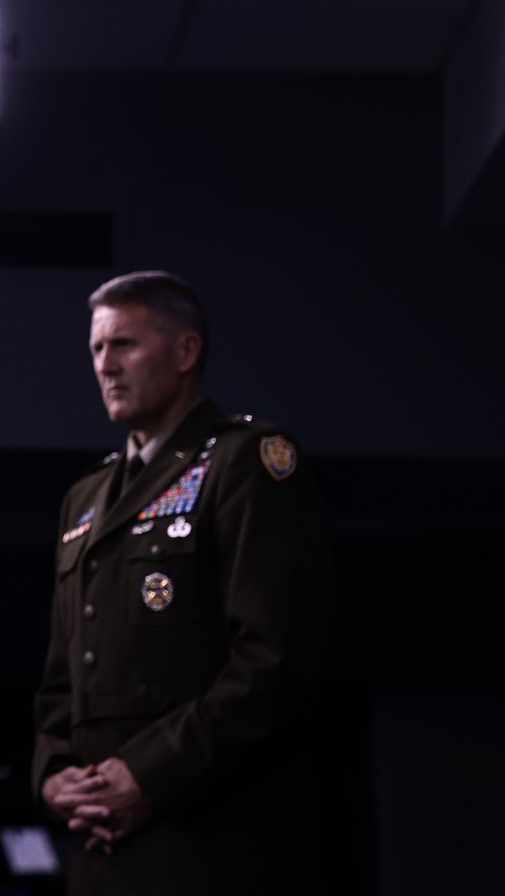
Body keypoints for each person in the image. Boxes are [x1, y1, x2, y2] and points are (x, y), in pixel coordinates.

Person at [33, 271, 330, 894]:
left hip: (203, 838)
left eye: (125, 345)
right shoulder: (84, 498)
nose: (105, 366)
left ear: (186, 351)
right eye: (96, 349)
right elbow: (64, 673)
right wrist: (54, 771)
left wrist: (147, 775)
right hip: (97, 841)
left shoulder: (248, 461)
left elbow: (273, 661)